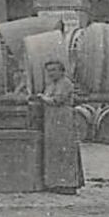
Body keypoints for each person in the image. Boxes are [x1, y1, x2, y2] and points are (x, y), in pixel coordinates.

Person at [37, 59, 84, 194]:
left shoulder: (66, 83)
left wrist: (42, 98)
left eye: (54, 70)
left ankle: (68, 184)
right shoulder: (51, 84)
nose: (51, 73)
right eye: (49, 70)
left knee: (65, 150)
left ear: (61, 71)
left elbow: (57, 100)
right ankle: (55, 183)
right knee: (54, 150)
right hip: (52, 120)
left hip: (63, 119)